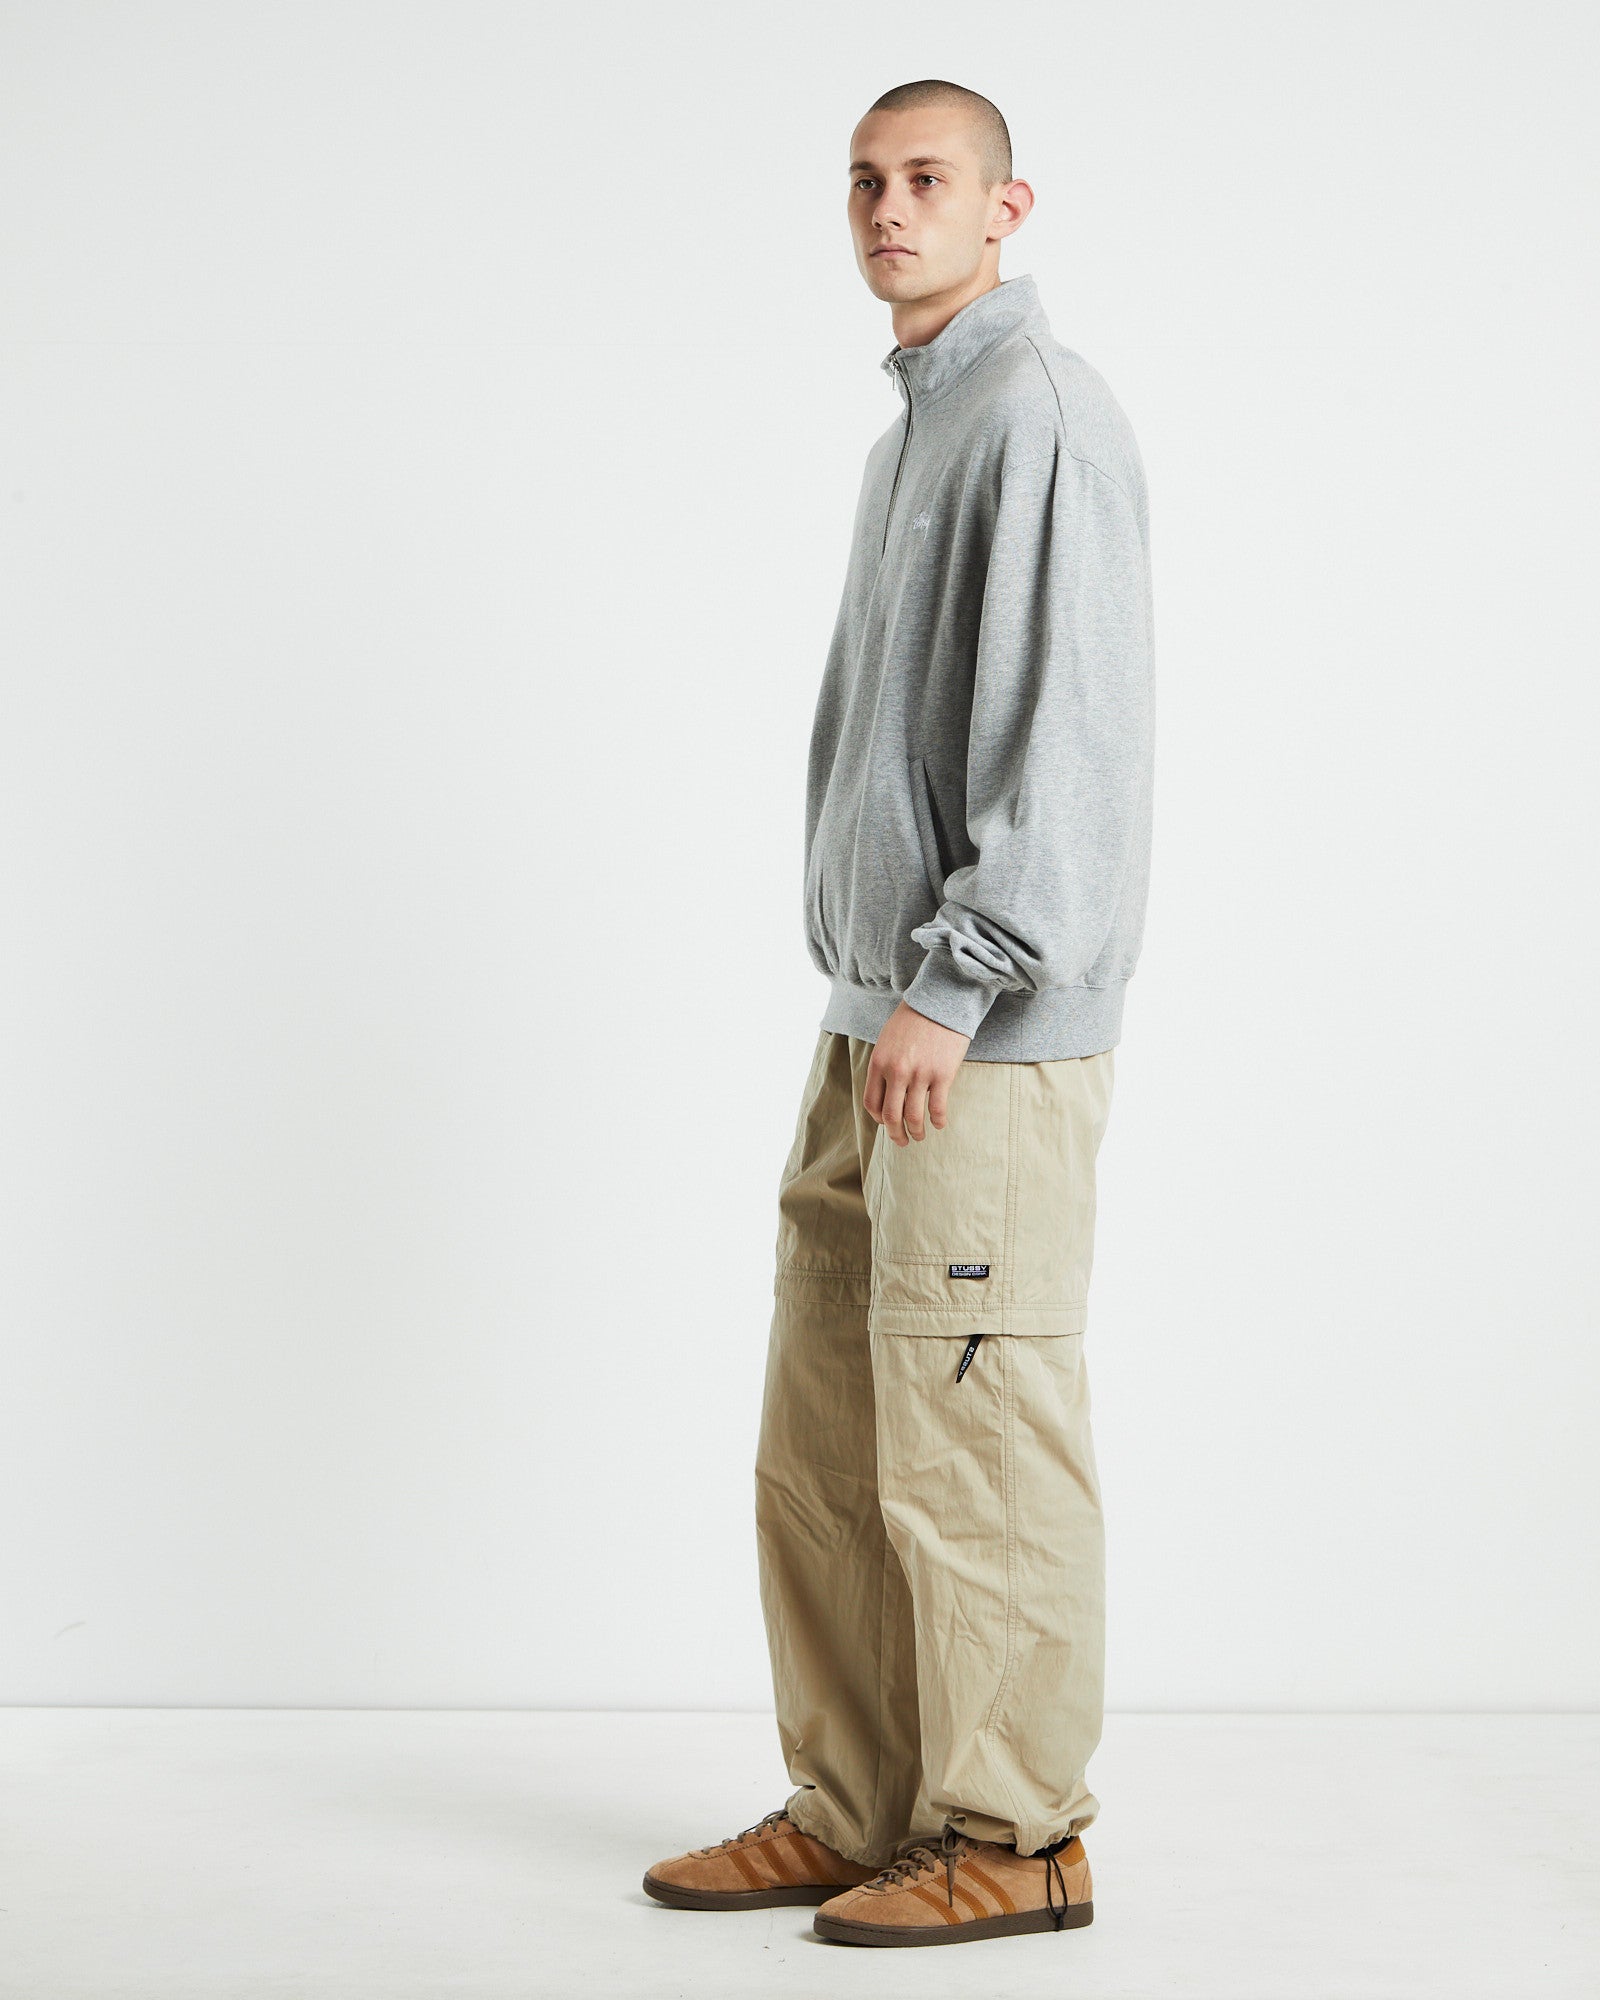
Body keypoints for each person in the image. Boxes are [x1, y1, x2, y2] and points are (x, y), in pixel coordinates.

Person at [644, 76, 1155, 1950]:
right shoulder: (915, 433)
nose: (887, 208)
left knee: (977, 1435)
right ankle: (860, 1805)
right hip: (874, 1025)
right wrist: (884, 999)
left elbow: (1072, 750)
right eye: (864, 180)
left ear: (1009, 206)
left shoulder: (1039, 417)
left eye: (927, 178)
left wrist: (959, 979)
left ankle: (1017, 1838)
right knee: (835, 1437)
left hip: (974, 1037)